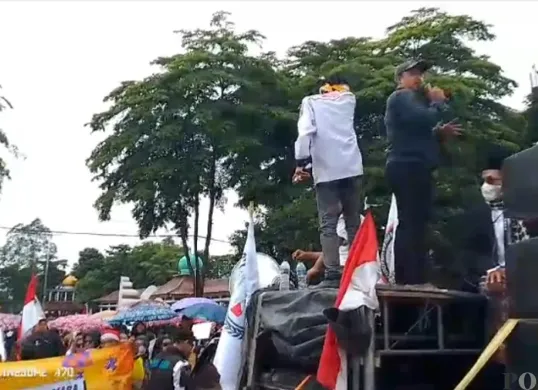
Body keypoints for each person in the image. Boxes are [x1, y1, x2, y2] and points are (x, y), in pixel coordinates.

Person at [384, 59, 462, 286]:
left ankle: (414, 276)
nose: (419, 77)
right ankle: (409, 278)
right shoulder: (401, 96)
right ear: (401, 78)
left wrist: (438, 132)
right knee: (412, 222)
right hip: (408, 165)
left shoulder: (410, 101)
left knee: (417, 222)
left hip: (411, 164)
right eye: (413, 73)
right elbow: (422, 118)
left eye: (421, 73)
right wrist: (436, 103)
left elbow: (413, 131)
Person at [293, 76, 364, 287]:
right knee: (353, 222)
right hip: (352, 167)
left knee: (329, 224)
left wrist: (301, 162)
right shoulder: (349, 100)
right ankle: (358, 268)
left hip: (327, 172)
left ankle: (333, 274)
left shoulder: (311, 103)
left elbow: (306, 133)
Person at [293, 214, 358, 284]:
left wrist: (315, 268)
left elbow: (335, 253)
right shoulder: (346, 219)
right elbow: (335, 254)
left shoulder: (348, 223)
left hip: (350, 279)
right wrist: (307, 255)